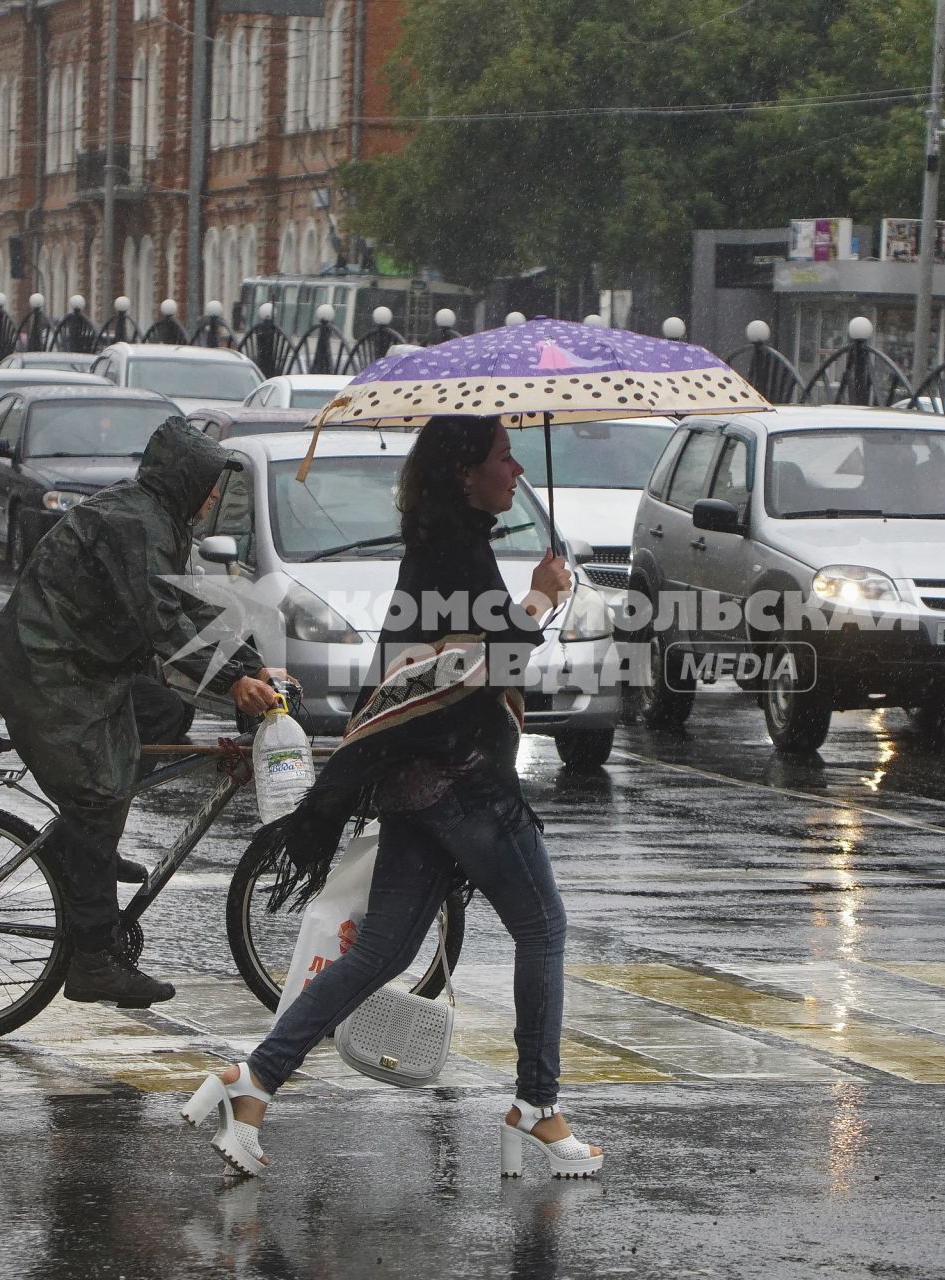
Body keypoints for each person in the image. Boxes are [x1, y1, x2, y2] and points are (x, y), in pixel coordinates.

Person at [192, 414, 605, 1180]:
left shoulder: (440, 540)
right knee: (543, 927)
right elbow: (480, 662)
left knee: (386, 949)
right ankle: (537, 1109)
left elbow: (459, 648)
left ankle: (251, 1082)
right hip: (461, 779)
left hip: (415, 783)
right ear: (463, 473)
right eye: (502, 459)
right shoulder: (456, 547)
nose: (514, 472)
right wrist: (544, 599)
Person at [0, 416, 281, 1007]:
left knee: (164, 715)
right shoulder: (136, 523)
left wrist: (254, 665)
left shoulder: (158, 520)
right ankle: (93, 960)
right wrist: (233, 681)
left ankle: (89, 842)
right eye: (209, 483)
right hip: (45, 671)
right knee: (93, 799)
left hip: (86, 666)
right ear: (184, 480)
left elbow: (188, 607)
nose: (215, 495)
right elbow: (161, 621)